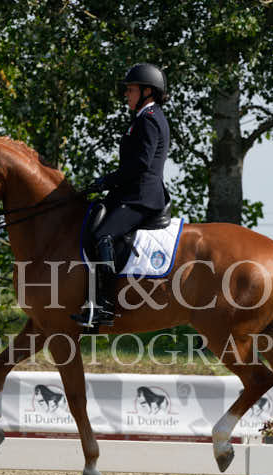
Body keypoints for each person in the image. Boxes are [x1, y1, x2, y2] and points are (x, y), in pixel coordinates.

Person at [72, 63, 171, 329]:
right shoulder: (144, 117)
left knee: (104, 236)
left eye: (131, 89)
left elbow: (140, 164)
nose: (126, 94)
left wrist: (106, 181)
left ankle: (104, 305)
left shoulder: (149, 119)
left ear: (147, 91)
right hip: (130, 193)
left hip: (141, 197)